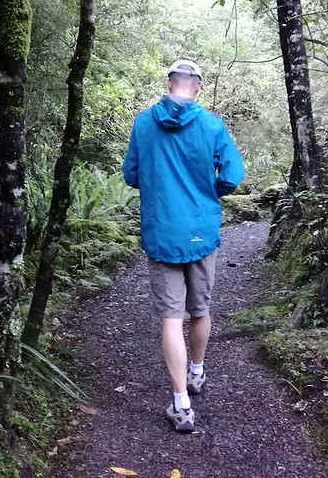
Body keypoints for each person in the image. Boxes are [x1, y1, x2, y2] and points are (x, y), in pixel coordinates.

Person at [122, 59, 245, 433]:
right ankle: (197, 372)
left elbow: (131, 174)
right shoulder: (211, 124)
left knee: (170, 319)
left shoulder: (144, 123)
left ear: (170, 82)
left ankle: (181, 404)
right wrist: (209, 191)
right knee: (200, 308)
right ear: (197, 87)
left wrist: (161, 184)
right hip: (201, 230)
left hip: (162, 232)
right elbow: (234, 175)